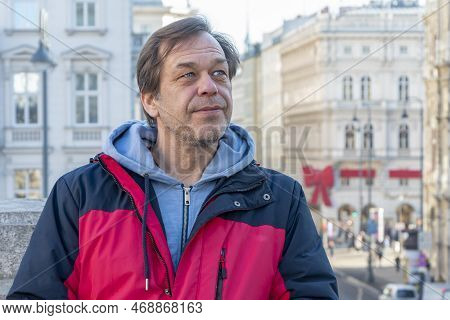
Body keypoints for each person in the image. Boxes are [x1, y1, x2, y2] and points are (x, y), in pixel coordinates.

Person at [7, 16, 338, 300]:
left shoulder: (281, 200)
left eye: (219, 74)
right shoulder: (80, 195)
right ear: (151, 100)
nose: (209, 87)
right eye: (188, 75)